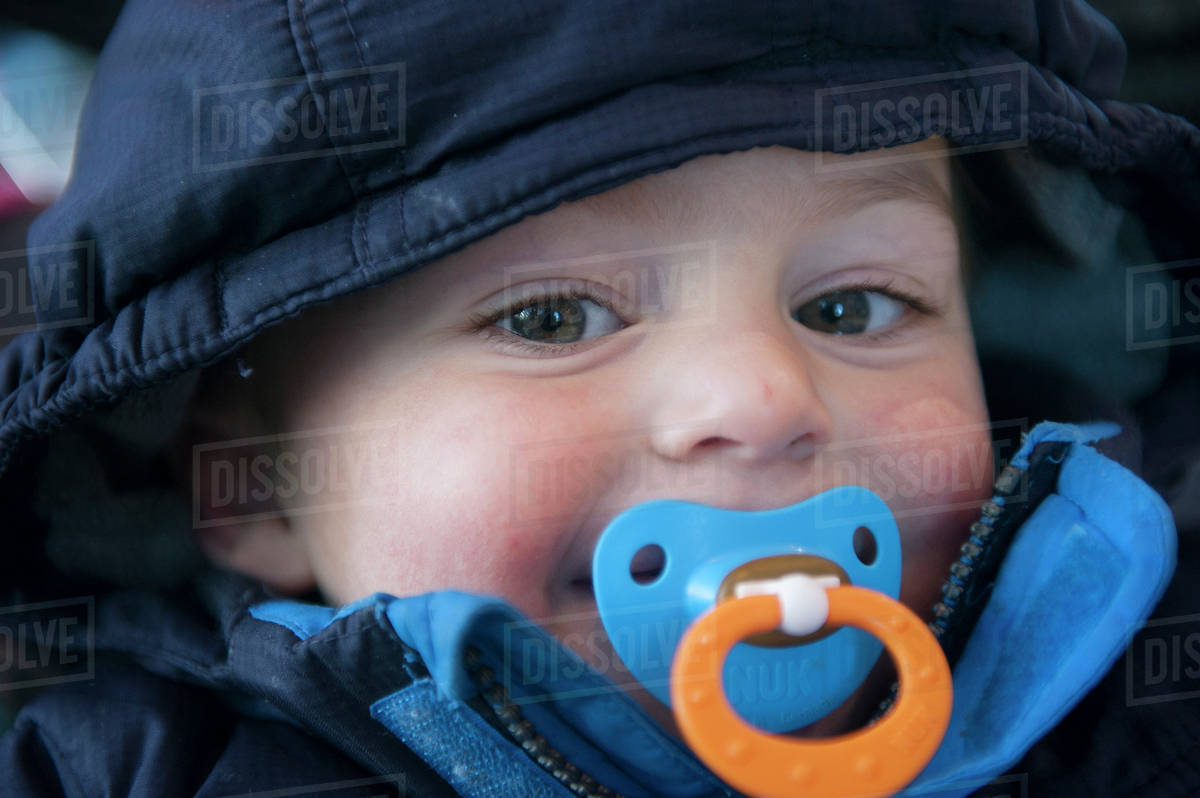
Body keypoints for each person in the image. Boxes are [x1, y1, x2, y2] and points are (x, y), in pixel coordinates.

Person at [0, 1, 1196, 796]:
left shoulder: (1145, 696)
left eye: (851, 307)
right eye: (550, 319)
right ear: (257, 487)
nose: (763, 398)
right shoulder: (132, 774)